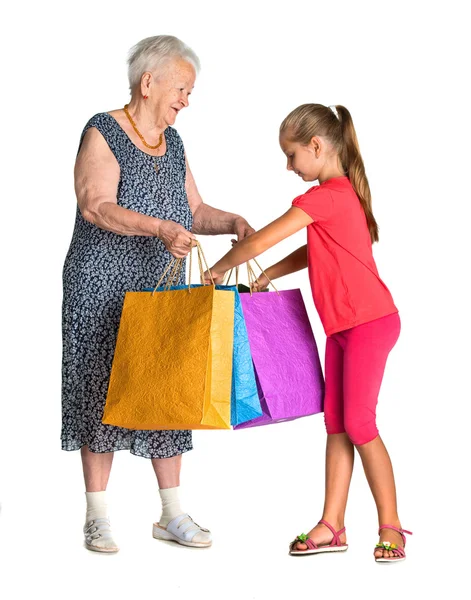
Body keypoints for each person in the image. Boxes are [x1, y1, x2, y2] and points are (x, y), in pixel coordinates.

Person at [62, 35, 254, 553]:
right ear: (149, 83)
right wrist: (160, 229)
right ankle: (97, 516)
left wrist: (231, 221)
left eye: (190, 92)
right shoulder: (104, 131)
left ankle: (171, 513)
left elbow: (192, 211)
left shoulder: (174, 144)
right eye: (182, 89)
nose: (187, 100)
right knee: (101, 390)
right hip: (100, 282)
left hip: (158, 284)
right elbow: (95, 205)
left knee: (167, 389)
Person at [206, 103, 412, 563]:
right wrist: (268, 275)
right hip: (343, 328)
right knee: (336, 423)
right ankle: (331, 524)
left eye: (292, 155)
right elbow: (308, 249)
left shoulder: (327, 196)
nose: (288, 165)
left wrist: (220, 269)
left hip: (368, 324)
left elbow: (259, 241)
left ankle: (392, 527)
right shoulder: (337, 197)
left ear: (316, 147)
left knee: (359, 423)